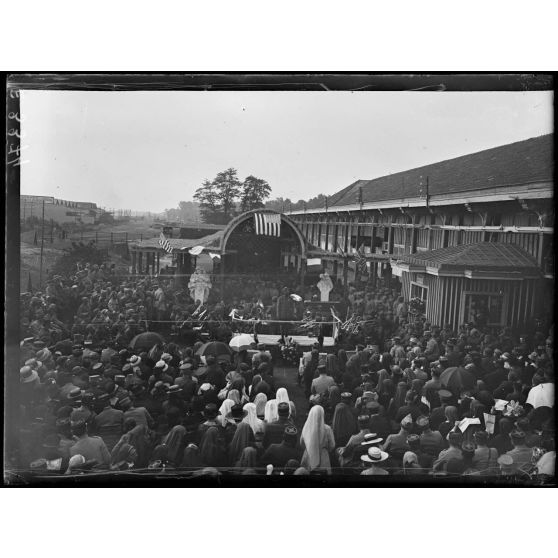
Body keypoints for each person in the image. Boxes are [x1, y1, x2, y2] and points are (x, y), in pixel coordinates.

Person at [300, 405, 336, 473]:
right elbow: (332, 445)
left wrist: (309, 447)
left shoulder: (306, 428)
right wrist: (325, 450)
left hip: (308, 456)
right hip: (323, 457)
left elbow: (302, 443)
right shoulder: (327, 429)